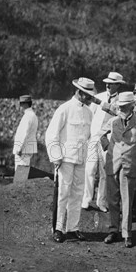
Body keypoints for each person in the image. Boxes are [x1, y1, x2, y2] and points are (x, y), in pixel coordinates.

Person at [45, 77, 95, 243]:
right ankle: (58, 228)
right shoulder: (64, 109)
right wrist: (56, 157)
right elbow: (52, 134)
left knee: (78, 194)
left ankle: (72, 228)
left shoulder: (89, 112)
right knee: (62, 194)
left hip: (81, 159)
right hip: (65, 159)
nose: (89, 99)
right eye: (87, 96)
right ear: (79, 93)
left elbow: (88, 135)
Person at [103, 92, 136, 248]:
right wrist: (109, 149)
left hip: (130, 165)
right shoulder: (113, 121)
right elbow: (101, 136)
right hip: (112, 163)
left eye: (124, 106)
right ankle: (113, 230)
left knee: (127, 200)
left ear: (131, 106)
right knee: (112, 199)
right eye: (119, 106)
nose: (121, 108)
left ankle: (127, 234)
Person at [82, 71, 124, 213]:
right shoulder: (98, 97)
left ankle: (101, 202)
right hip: (95, 136)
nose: (107, 85)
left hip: (109, 140)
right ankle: (86, 199)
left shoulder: (120, 102)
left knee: (105, 172)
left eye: (111, 84)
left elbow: (118, 114)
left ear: (117, 85)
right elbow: (90, 115)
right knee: (89, 168)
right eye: (107, 83)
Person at [12, 95, 38, 184]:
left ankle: (18, 191)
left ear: (25, 104)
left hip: (23, 149)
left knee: (20, 173)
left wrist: (19, 148)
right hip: (27, 148)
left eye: (21, 103)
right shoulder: (33, 115)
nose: (20, 106)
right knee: (23, 171)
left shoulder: (28, 116)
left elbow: (24, 134)